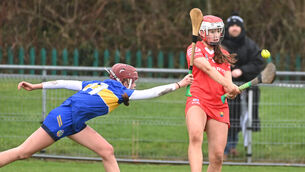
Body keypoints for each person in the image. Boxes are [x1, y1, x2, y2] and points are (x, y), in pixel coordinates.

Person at [0, 63, 193, 172]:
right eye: (132, 81)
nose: (133, 85)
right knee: (23, 152)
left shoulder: (98, 84)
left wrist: (36, 86)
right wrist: (179, 84)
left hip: (75, 122)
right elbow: (153, 93)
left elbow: (64, 82)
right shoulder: (119, 91)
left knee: (107, 150)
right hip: (63, 118)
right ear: (123, 80)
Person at [185, 15, 240, 172]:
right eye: (212, 31)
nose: (216, 34)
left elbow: (227, 84)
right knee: (195, 135)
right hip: (198, 99)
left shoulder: (224, 55)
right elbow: (207, 68)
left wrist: (230, 91)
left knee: (217, 157)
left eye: (218, 31)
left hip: (218, 105)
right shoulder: (194, 48)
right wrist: (229, 85)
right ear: (202, 32)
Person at [221, 12, 265, 159]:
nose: (234, 28)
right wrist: (228, 73)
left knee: (241, 118)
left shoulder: (250, 45)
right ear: (227, 28)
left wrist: (242, 71)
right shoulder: (220, 45)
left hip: (246, 89)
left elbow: (258, 63)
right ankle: (224, 149)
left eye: (237, 26)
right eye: (231, 25)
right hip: (224, 88)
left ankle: (233, 146)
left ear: (241, 28)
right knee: (225, 117)